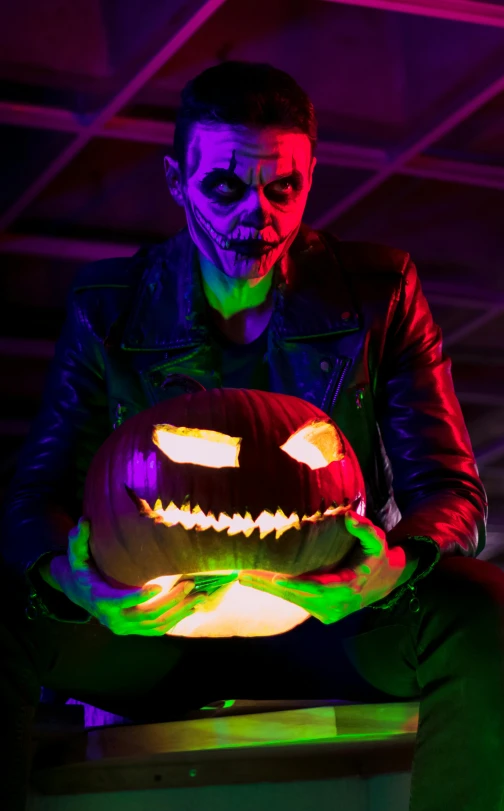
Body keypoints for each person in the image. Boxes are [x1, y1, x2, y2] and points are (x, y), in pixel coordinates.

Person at [0, 60, 502, 811]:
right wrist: (71, 580)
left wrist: (392, 567)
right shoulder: (110, 304)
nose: (257, 216)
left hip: (333, 617)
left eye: (282, 189)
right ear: (177, 182)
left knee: (484, 608)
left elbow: (453, 490)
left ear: (309, 178)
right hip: (156, 623)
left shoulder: (379, 290)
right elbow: (34, 495)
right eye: (226, 187)